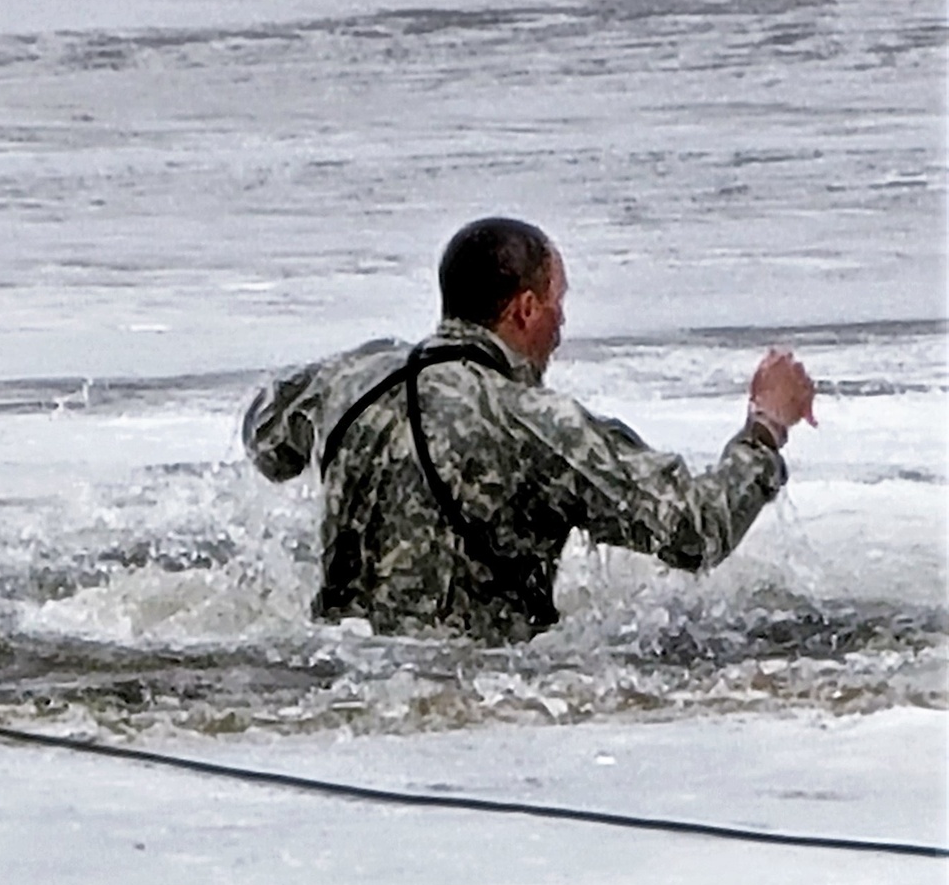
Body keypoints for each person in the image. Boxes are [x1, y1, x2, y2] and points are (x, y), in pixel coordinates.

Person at [243, 216, 816, 644]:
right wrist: (765, 429)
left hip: (336, 660)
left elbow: (266, 440)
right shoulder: (534, 423)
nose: (562, 323)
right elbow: (694, 529)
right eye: (556, 303)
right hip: (471, 686)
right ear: (523, 309)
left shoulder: (348, 379)